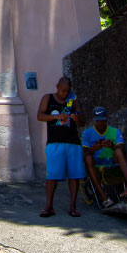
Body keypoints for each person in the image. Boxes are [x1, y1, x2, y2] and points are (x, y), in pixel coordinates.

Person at [37, 76, 85, 217]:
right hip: (54, 142)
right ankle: (49, 206)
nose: (65, 94)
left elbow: (82, 121)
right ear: (57, 86)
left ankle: (73, 207)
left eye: (67, 91)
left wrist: (77, 119)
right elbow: (40, 116)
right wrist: (56, 117)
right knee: (52, 176)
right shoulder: (48, 98)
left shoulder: (73, 101)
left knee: (75, 176)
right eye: (63, 90)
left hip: (73, 143)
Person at [81, 106, 127, 208]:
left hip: (113, 159)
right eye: (98, 121)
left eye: (102, 121)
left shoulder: (115, 131)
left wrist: (112, 145)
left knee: (118, 150)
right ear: (94, 121)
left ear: (106, 119)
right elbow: (84, 152)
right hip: (96, 163)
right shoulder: (87, 133)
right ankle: (103, 196)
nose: (100, 123)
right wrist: (94, 148)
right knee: (88, 157)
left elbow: (122, 149)